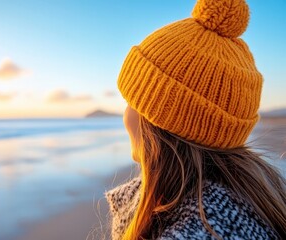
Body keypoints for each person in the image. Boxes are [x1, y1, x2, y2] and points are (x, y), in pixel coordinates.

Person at [104, 0, 286, 239]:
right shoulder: (248, 202)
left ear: (163, 121)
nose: (126, 115)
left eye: (132, 102)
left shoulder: (194, 232)